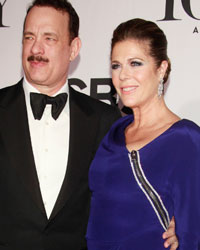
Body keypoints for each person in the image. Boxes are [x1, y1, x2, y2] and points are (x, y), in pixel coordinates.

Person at [0, 0, 177, 249]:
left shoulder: (107, 122)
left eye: (49, 38)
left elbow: (137, 191)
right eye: (29, 37)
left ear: (74, 48)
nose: (36, 48)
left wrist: (177, 218)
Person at [86, 18, 200, 250]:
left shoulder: (185, 139)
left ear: (162, 68)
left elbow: (193, 234)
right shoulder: (114, 133)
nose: (123, 75)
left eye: (135, 63)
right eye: (116, 65)